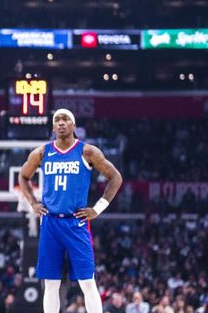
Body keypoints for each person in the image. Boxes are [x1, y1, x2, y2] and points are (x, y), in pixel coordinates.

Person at [17, 109, 123, 313]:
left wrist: (98, 208)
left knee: (87, 282)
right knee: (50, 283)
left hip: (76, 222)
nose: (61, 123)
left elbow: (115, 177)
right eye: (57, 119)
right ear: (53, 126)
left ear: (74, 126)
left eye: (66, 119)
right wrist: (33, 203)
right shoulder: (41, 152)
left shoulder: (87, 151)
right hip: (50, 222)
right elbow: (23, 176)